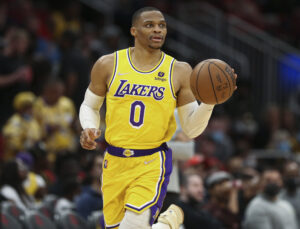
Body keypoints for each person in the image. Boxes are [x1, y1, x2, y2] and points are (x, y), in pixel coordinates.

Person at [79, 7, 237, 229]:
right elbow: (89, 105)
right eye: (149, 25)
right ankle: (168, 223)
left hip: (151, 161)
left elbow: (191, 129)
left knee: (132, 226)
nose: (158, 30)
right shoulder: (108, 64)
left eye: (162, 25)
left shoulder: (179, 71)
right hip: (113, 161)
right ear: (134, 30)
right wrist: (88, 127)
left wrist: (209, 101)